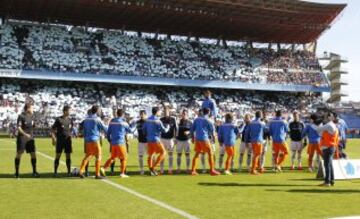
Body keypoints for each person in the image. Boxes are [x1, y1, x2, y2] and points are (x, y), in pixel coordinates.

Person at [103, 109, 135, 178]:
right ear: (123, 115)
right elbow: (130, 130)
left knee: (113, 157)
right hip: (121, 143)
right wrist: (133, 124)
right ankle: (122, 173)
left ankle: (103, 168)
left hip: (113, 143)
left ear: (117, 114)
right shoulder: (124, 122)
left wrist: (110, 140)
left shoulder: (112, 122)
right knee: (124, 158)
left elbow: (108, 133)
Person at [78, 105, 108, 179]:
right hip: (95, 140)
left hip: (87, 140)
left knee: (88, 156)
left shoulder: (86, 119)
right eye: (100, 110)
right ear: (97, 110)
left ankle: (81, 171)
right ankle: (97, 174)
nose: (100, 111)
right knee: (98, 156)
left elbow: (83, 130)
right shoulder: (97, 119)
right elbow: (105, 129)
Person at [190, 108, 220, 176]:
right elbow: (212, 131)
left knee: (197, 154)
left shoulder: (196, 119)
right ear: (208, 112)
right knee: (210, 153)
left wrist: (192, 138)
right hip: (204, 138)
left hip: (197, 139)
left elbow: (192, 130)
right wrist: (213, 139)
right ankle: (212, 170)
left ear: (202, 112)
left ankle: (193, 170)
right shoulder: (208, 120)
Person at [15, 103, 39, 178]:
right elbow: (18, 128)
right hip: (22, 138)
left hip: (30, 138)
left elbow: (33, 126)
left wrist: (35, 125)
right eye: (32, 108)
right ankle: (16, 173)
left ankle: (34, 172)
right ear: (28, 108)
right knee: (19, 154)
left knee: (33, 153)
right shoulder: (21, 116)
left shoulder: (32, 116)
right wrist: (25, 134)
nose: (33, 109)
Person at [143, 107, 170, 176]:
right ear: (157, 112)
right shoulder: (158, 120)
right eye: (160, 111)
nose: (160, 112)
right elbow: (164, 130)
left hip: (149, 140)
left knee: (151, 155)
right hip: (156, 139)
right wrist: (168, 127)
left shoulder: (147, 120)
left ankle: (151, 171)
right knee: (163, 152)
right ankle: (153, 167)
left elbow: (143, 130)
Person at [316, 112, 339, 187]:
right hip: (331, 146)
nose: (324, 118)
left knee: (327, 165)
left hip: (328, 147)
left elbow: (318, 130)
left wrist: (320, 123)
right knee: (330, 164)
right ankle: (331, 181)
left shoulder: (328, 125)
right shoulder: (332, 125)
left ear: (329, 117)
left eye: (325, 117)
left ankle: (327, 182)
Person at [51, 105, 73, 177]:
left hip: (68, 141)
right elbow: (53, 129)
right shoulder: (58, 119)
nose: (70, 112)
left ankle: (69, 172)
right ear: (65, 111)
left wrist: (70, 136)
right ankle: (55, 172)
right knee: (58, 156)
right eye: (70, 110)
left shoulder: (70, 120)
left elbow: (70, 130)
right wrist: (53, 138)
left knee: (68, 156)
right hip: (60, 140)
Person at [160, 107, 178, 174]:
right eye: (164, 112)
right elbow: (159, 129)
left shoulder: (173, 119)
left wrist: (176, 138)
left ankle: (170, 169)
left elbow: (176, 129)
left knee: (170, 154)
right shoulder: (161, 119)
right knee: (162, 154)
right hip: (162, 139)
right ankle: (161, 169)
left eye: (166, 112)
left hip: (170, 139)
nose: (165, 113)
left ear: (169, 112)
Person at [175, 109, 193, 173]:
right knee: (179, 154)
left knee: (187, 155)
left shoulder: (190, 122)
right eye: (183, 114)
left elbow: (192, 131)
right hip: (179, 140)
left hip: (187, 140)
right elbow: (176, 131)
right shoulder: (178, 122)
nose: (184, 115)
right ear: (181, 114)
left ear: (187, 115)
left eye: (185, 114)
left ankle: (188, 168)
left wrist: (188, 132)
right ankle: (178, 168)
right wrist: (175, 138)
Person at [136, 110, 148, 175]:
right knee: (140, 156)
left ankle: (152, 168)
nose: (141, 115)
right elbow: (138, 130)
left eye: (143, 114)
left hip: (147, 142)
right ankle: (141, 169)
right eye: (140, 114)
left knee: (151, 156)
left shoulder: (148, 122)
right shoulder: (138, 122)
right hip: (140, 141)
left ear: (145, 115)